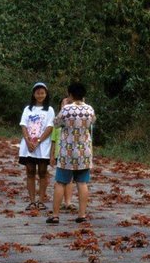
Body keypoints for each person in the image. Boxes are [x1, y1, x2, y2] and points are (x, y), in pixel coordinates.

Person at [48, 82, 96, 224]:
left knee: (60, 182)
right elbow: (92, 121)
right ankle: (82, 214)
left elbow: (56, 123)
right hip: (84, 152)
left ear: (70, 94)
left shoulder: (66, 109)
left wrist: (64, 108)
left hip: (67, 152)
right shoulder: (90, 109)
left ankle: (55, 215)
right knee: (82, 182)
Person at [18, 83, 55, 210]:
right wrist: (28, 141)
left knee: (43, 172)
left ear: (46, 94)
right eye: (38, 93)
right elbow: (23, 125)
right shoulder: (28, 109)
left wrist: (38, 141)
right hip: (28, 146)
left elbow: (50, 127)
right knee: (30, 172)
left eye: (42, 93)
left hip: (43, 146)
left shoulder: (49, 110)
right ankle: (32, 201)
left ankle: (41, 200)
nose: (40, 95)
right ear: (34, 94)